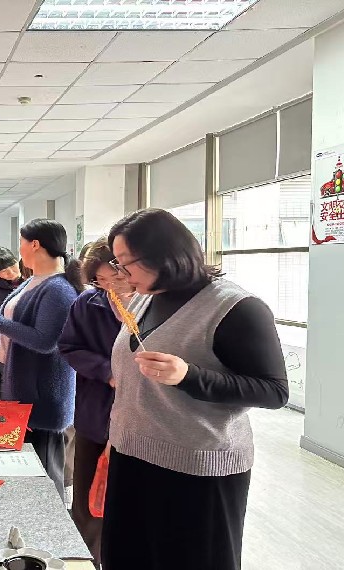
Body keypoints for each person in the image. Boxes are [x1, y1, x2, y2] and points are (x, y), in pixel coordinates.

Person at [102, 209, 288, 570]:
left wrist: (189, 376)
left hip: (196, 467)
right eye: (117, 263)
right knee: (128, 556)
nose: (121, 274)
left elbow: (273, 391)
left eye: (126, 263)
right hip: (132, 454)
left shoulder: (235, 308)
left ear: (164, 255)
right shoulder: (144, 298)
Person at [0, 219, 85, 500]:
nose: (19, 249)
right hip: (17, 384)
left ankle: (52, 521)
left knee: (44, 470)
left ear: (35, 244)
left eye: (21, 242)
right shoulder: (33, 281)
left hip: (40, 393)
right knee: (25, 465)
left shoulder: (58, 289)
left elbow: (45, 341)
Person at [57, 238, 131, 566]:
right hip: (96, 415)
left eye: (116, 277)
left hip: (142, 423)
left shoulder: (155, 303)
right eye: (100, 280)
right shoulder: (88, 303)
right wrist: (106, 370)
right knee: (88, 502)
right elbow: (69, 346)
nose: (110, 286)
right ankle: (88, 560)